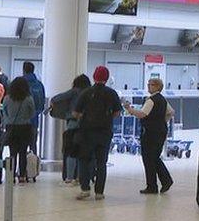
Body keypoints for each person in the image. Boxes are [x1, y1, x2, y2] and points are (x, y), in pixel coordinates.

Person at [73, 66, 123, 200]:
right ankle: (99, 192)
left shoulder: (86, 92)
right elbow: (117, 112)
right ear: (106, 78)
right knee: (101, 162)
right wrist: (106, 118)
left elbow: (75, 112)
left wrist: (84, 117)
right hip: (105, 132)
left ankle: (85, 189)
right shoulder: (112, 93)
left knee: (84, 160)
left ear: (94, 77)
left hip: (87, 132)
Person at [124, 77, 174, 194]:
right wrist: (162, 121)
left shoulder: (151, 100)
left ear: (157, 86)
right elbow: (171, 112)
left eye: (150, 84)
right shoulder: (162, 99)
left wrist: (130, 109)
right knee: (155, 157)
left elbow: (142, 114)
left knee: (148, 159)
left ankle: (153, 185)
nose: (148, 86)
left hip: (150, 133)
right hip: (161, 131)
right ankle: (166, 180)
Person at [51, 74, 90, 184]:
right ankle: (79, 177)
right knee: (83, 152)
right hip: (87, 125)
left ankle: (69, 177)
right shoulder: (90, 93)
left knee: (71, 151)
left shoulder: (74, 92)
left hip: (73, 123)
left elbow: (56, 98)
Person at [1, 76, 35, 184]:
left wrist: (9, 119)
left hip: (11, 127)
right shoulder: (28, 98)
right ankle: (22, 176)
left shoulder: (7, 98)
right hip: (25, 127)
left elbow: (4, 111)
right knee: (23, 152)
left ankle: (11, 175)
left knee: (12, 152)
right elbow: (32, 112)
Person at [22, 62, 46, 154]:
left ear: (23, 70)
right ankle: (33, 166)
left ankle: (20, 167)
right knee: (33, 145)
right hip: (34, 120)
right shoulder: (39, 84)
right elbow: (42, 102)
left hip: (21, 121)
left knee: (21, 148)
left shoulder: (21, 83)